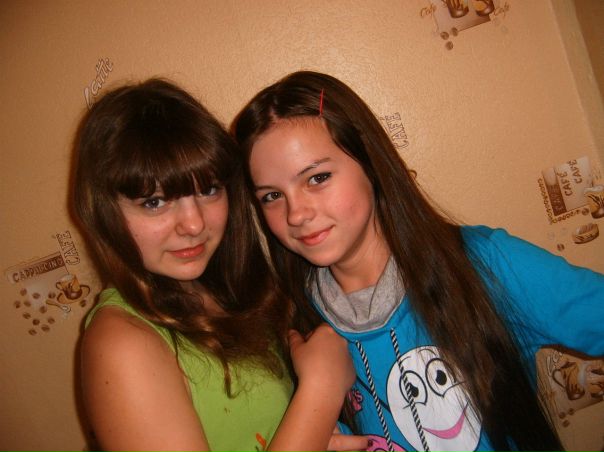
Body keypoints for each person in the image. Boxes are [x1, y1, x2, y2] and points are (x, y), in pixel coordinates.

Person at [232, 70, 604, 452]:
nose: (296, 213)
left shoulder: (483, 265)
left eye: (317, 178)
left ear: (370, 164)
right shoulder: (295, 327)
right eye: (271, 196)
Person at [71, 78, 367, 452]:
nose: (194, 224)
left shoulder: (225, 293)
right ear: (104, 212)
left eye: (209, 190)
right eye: (155, 202)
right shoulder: (121, 342)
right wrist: (321, 389)